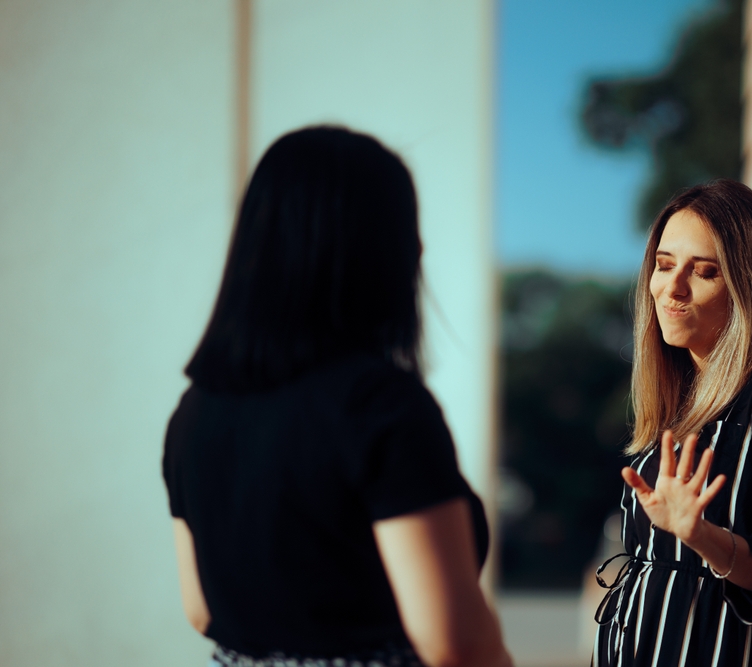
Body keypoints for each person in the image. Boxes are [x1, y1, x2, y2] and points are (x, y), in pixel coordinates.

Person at [162, 126, 512, 667]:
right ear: (383, 251)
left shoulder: (195, 411)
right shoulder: (381, 407)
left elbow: (201, 611)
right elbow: (455, 644)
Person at [593, 180, 752, 667]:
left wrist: (701, 536)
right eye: (664, 265)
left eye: (704, 272)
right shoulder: (680, 395)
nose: (673, 288)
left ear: (747, 287)